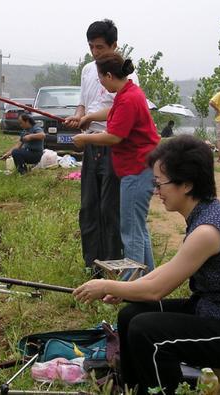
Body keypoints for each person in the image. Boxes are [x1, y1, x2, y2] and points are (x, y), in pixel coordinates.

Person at [73, 135, 220, 394]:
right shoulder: (204, 214)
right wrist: (120, 288)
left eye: (159, 184)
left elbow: (157, 290)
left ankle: (162, 391)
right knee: (130, 315)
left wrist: (104, 285)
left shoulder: (208, 230)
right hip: (214, 310)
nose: (156, 191)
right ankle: (134, 387)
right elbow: (165, 273)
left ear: (187, 185)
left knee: (148, 332)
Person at [64, 19, 140, 272]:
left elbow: (121, 109)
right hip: (91, 144)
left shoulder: (125, 73)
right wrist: (79, 116)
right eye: (91, 47)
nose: (95, 52)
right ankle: (91, 264)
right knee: (89, 206)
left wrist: (88, 119)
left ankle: (111, 264)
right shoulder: (87, 70)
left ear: (114, 45)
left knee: (110, 208)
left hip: (113, 144)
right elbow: (83, 102)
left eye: (100, 47)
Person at [72, 53, 159, 272]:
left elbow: (114, 137)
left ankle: (131, 285)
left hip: (137, 171)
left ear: (109, 76)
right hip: (140, 169)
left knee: (130, 232)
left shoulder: (129, 98)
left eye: (100, 79)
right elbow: (112, 112)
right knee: (138, 230)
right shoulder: (127, 92)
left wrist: (85, 138)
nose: (100, 84)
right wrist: (89, 118)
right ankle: (148, 280)